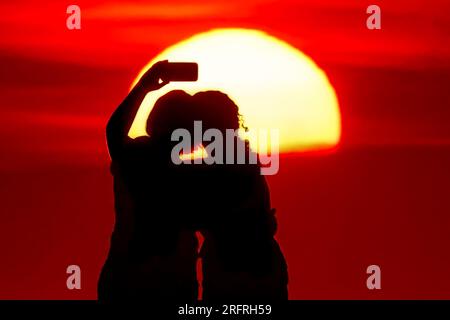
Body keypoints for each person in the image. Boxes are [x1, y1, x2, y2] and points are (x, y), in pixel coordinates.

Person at [98, 61, 199, 301]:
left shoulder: (136, 157)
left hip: (129, 278)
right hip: (164, 281)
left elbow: (115, 131)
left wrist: (144, 86)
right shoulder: (193, 172)